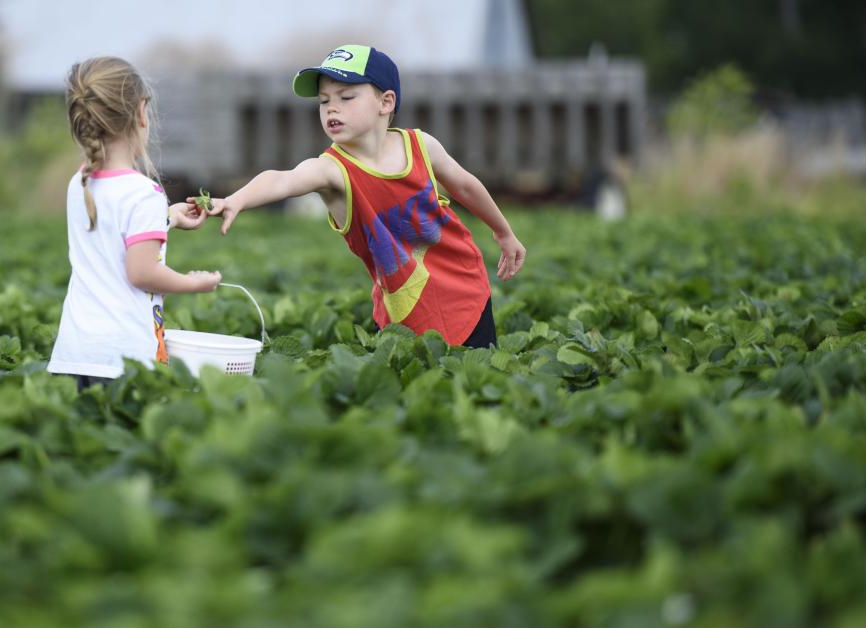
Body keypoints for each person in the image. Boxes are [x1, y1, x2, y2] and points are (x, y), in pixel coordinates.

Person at [199, 44, 525, 348]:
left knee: (475, 378)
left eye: (346, 97)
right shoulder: (332, 171)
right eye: (324, 101)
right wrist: (235, 200)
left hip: (465, 287)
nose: (332, 109)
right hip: (403, 306)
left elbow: (465, 185)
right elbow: (282, 180)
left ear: (386, 102)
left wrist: (503, 232)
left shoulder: (421, 146)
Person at [47, 56, 221, 390]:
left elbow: (112, 236)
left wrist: (167, 218)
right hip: (122, 361)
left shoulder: (80, 183)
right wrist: (194, 283)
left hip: (73, 354)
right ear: (141, 113)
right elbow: (141, 273)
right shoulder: (144, 193)